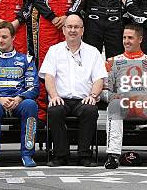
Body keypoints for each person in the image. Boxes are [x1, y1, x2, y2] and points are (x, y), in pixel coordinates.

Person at [103, 24, 147, 170]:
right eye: (124, 38)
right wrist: (112, 96)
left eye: (130, 38)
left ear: (140, 39)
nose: (126, 41)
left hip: (146, 104)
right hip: (123, 104)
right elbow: (104, 90)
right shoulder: (111, 61)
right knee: (113, 106)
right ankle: (113, 156)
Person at [39, 15, 108, 167]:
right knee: (54, 110)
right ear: (63, 30)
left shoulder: (93, 52)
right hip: (61, 98)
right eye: (69, 27)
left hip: (83, 99)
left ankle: (84, 156)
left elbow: (99, 79)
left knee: (90, 110)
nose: (73, 30)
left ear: (82, 31)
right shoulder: (54, 50)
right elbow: (49, 77)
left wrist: (93, 95)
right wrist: (54, 96)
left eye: (76, 27)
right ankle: (60, 155)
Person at [31, 0, 81, 122]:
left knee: (74, 63)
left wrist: (69, 16)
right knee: (46, 66)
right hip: (48, 22)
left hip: (71, 21)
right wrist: (52, 16)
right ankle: (43, 115)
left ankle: (74, 109)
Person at [0, 21, 38, 168]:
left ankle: (27, 154)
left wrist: (19, 98)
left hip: (19, 100)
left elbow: (33, 86)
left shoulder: (27, 60)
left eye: (4, 37)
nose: (0, 40)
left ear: (13, 37)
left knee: (31, 105)